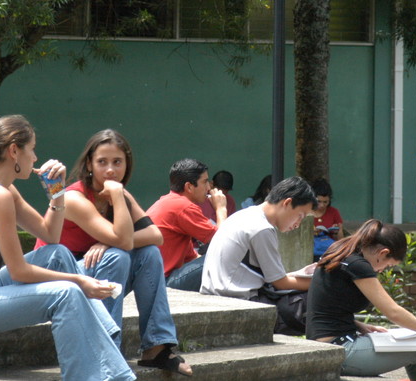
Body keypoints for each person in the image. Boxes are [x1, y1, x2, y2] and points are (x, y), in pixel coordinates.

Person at [0, 115, 134, 381]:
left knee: (58, 254)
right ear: (14, 150)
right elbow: (19, 271)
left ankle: (107, 343)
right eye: (32, 149)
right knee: (66, 293)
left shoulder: (4, 189)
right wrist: (80, 280)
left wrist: (57, 192)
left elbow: (50, 236)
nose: (36, 158)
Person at [35, 129, 192, 377]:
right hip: (58, 277)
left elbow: (155, 236)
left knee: (149, 254)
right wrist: (116, 241)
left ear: (127, 164)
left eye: (117, 162)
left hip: (93, 273)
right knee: (118, 256)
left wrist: (108, 242)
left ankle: (157, 347)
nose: (110, 170)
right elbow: (123, 241)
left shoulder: (118, 194)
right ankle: (106, 349)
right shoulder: (74, 197)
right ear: (89, 164)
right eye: (102, 162)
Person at [306, 219, 416, 380]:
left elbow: (329, 305)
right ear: (382, 253)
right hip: (339, 349)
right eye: (388, 265)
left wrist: (361, 326)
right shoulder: (358, 265)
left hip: (327, 345)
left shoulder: (340, 250)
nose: (382, 270)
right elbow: (393, 312)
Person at [200, 176, 317, 335]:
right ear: (287, 203)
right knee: (317, 296)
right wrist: (321, 281)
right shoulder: (262, 228)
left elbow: (275, 278)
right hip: (237, 303)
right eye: (300, 216)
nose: (298, 224)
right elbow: (280, 283)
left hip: (218, 296)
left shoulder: (247, 215)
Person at [147, 158, 227, 291]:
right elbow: (223, 241)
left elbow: (192, 257)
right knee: (224, 257)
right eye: (205, 182)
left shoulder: (170, 202)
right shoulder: (183, 207)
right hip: (163, 281)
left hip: (155, 279)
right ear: (189, 186)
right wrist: (221, 209)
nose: (209, 188)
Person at [310, 178, 344, 261]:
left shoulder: (333, 212)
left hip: (328, 251)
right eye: (319, 201)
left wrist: (337, 231)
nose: (322, 205)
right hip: (312, 250)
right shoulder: (307, 213)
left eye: (325, 202)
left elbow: (341, 240)